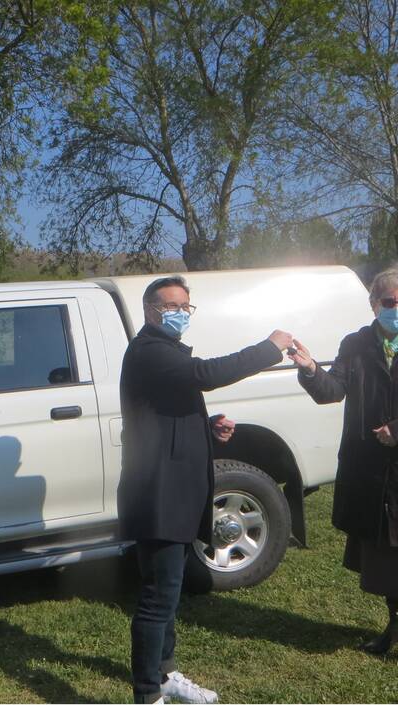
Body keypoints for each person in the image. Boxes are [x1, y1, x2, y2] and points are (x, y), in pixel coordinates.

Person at [288, 265, 398, 692]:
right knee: (387, 547)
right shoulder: (356, 343)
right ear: (374, 305)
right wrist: (311, 369)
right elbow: (333, 390)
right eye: (389, 302)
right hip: (372, 468)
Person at [118, 275, 292, 704]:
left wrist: (208, 428)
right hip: (157, 495)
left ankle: (165, 673)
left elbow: (167, 415)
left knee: (170, 592)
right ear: (149, 310)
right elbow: (207, 374)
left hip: (175, 492)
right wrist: (269, 348)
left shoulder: (167, 353)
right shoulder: (150, 351)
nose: (179, 313)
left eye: (185, 307)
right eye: (170, 306)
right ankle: (147, 694)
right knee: (158, 599)